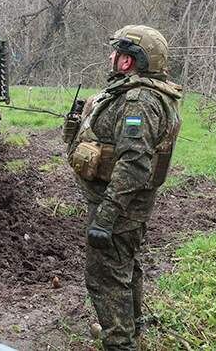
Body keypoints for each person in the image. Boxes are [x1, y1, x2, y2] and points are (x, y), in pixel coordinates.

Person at [63, 25, 182, 351]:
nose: (110, 56)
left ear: (128, 61)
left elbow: (134, 163)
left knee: (105, 279)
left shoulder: (139, 102)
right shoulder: (140, 94)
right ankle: (131, 330)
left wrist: (106, 216)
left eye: (116, 51)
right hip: (126, 206)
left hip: (119, 207)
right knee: (126, 268)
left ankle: (120, 342)